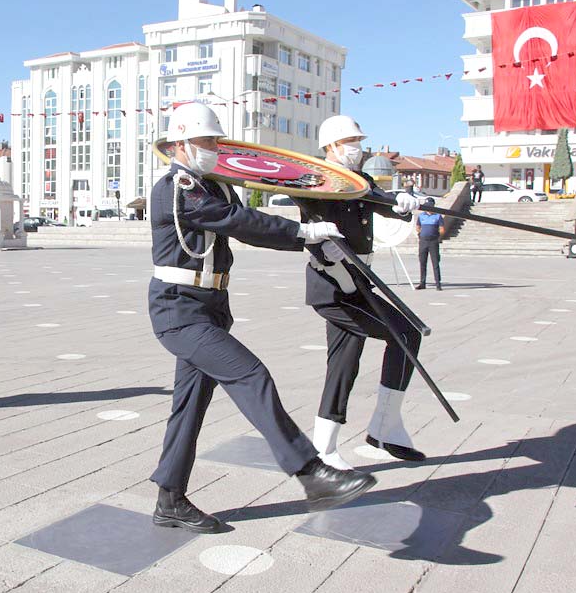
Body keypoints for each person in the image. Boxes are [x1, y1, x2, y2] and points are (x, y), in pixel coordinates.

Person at [148, 102, 376, 534]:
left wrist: (310, 239)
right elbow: (235, 220)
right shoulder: (177, 187)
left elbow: (244, 225)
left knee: (189, 405)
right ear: (179, 144)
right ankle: (311, 473)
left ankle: (170, 500)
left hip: (209, 306)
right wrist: (301, 232)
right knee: (251, 374)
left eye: (215, 140)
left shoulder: (213, 184)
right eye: (205, 141)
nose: (214, 148)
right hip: (179, 309)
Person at [294, 114, 428, 467]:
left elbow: (380, 201)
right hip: (333, 286)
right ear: (331, 146)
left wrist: (402, 204)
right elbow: (310, 224)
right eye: (350, 142)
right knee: (406, 334)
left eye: (358, 141)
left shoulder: (360, 180)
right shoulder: (315, 180)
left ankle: (327, 447)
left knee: (344, 363)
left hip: (358, 282)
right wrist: (324, 249)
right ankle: (383, 428)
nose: (357, 147)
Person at [415, 198, 445, 291]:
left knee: (435, 262)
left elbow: (442, 229)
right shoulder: (421, 216)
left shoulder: (438, 216)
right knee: (422, 262)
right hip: (423, 241)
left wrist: (437, 235)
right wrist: (420, 234)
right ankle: (422, 283)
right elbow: (418, 227)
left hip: (433, 241)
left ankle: (438, 283)